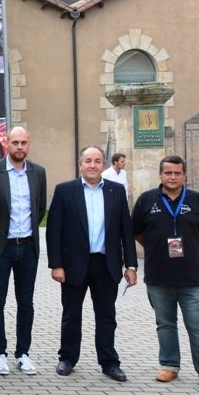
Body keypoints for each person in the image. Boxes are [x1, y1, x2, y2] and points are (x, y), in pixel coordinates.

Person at [131, 155, 199, 392]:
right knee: (165, 324)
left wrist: (193, 249)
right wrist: (154, 247)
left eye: (177, 173)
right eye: (168, 173)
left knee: (197, 325)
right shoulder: (146, 200)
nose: (172, 177)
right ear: (160, 175)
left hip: (191, 278)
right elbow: (136, 232)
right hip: (158, 276)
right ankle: (170, 366)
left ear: (184, 175)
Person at [46, 146, 137, 381]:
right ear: (80, 165)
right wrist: (56, 264)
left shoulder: (116, 192)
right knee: (71, 314)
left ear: (103, 164)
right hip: (74, 264)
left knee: (106, 315)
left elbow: (126, 232)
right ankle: (67, 358)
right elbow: (54, 231)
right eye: (88, 161)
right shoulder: (65, 191)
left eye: (97, 161)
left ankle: (109, 362)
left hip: (107, 264)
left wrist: (131, 265)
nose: (93, 165)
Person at [0, 126, 47, 376]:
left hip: (28, 247)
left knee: (26, 302)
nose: (19, 147)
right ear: (7, 144)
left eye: (23, 143)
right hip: (1, 248)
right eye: (15, 143)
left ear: (29, 144)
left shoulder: (38, 172)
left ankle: (23, 353)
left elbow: (40, 208)